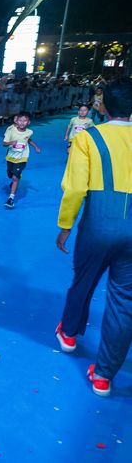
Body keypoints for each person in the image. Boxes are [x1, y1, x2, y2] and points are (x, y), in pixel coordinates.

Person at [54, 78, 132, 397]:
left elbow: (74, 188)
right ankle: (103, 376)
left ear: (103, 105)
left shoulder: (87, 138)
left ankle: (69, 334)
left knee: (83, 280)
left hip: (99, 221)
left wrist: (65, 225)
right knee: (124, 301)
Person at [2, 111, 41, 208]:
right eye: (20, 120)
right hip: (10, 157)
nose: (22, 122)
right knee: (10, 174)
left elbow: (28, 139)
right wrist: (11, 143)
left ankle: (11, 198)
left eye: (25, 120)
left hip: (22, 158)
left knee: (15, 178)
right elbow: (4, 143)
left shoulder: (29, 132)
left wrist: (36, 147)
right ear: (16, 121)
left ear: (29, 122)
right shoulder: (11, 131)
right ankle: (16, 176)